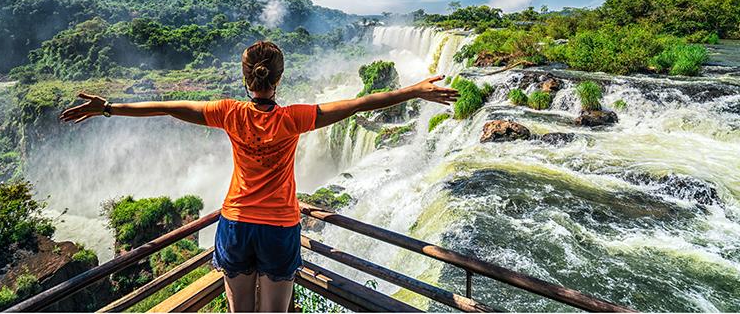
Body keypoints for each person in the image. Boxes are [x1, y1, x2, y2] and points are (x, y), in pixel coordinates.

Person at [59, 40, 459, 312]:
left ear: (246, 78)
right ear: (278, 79)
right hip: (279, 227)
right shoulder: (295, 118)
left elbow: (167, 108)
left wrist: (108, 108)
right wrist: (413, 92)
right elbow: (358, 104)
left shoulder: (228, 112)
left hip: (234, 223)